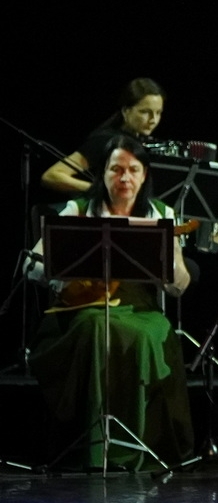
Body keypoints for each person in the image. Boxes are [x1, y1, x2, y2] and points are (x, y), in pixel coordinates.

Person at [28, 134, 194, 469]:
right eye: (116, 169)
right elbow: (32, 265)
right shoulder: (79, 209)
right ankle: (91, 444)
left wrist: (172, 266)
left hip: (141, 308)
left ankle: (137, 445)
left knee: (148, 334)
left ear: (144, 175)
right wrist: (60, 268)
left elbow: (179, 285)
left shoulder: (162, 213)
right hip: (84, 306)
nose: (124, 178)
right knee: (95, 328)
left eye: (133, 170)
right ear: (102, 173)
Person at [42, 79, 166, 196]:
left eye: (158, 113)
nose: (153, 120)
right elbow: (52, 175)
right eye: (145, 112)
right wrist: (99, 190)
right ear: (125, 111)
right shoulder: (105, 140)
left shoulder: (141, 141)